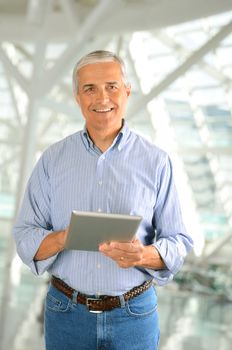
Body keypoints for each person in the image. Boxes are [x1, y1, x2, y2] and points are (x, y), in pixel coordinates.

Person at [13, 50, 193, 350]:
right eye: (90, 89)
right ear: (77, 98)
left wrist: (143, 255)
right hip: (66, 314)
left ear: (127, 91)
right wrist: (63, 238)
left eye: (111, 86)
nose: (102, 98)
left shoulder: (156, 162)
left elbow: (179, 241)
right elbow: (24, 235)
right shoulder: (52, 160)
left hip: (134, 317)